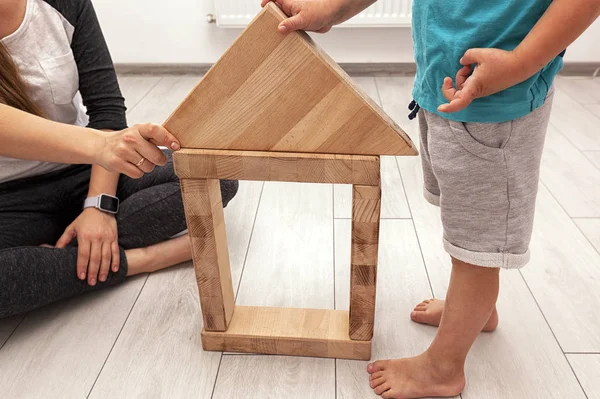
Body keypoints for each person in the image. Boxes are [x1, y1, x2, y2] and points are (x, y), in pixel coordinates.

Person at [262, 0, 600, 398]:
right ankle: (474, 311)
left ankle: (444, 368)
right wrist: (332, 9)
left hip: (493, 105)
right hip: (446, 89)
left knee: (478, 249)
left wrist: (520, 61)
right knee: (466, 229)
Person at [0, 0, 238, 319]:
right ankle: (146, 258)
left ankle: (52, 263)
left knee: (214, 176)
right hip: (9, 199)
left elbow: (106, 107)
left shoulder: (64, 5)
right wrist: (105, 146)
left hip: (85, 170)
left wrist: (99, 205)